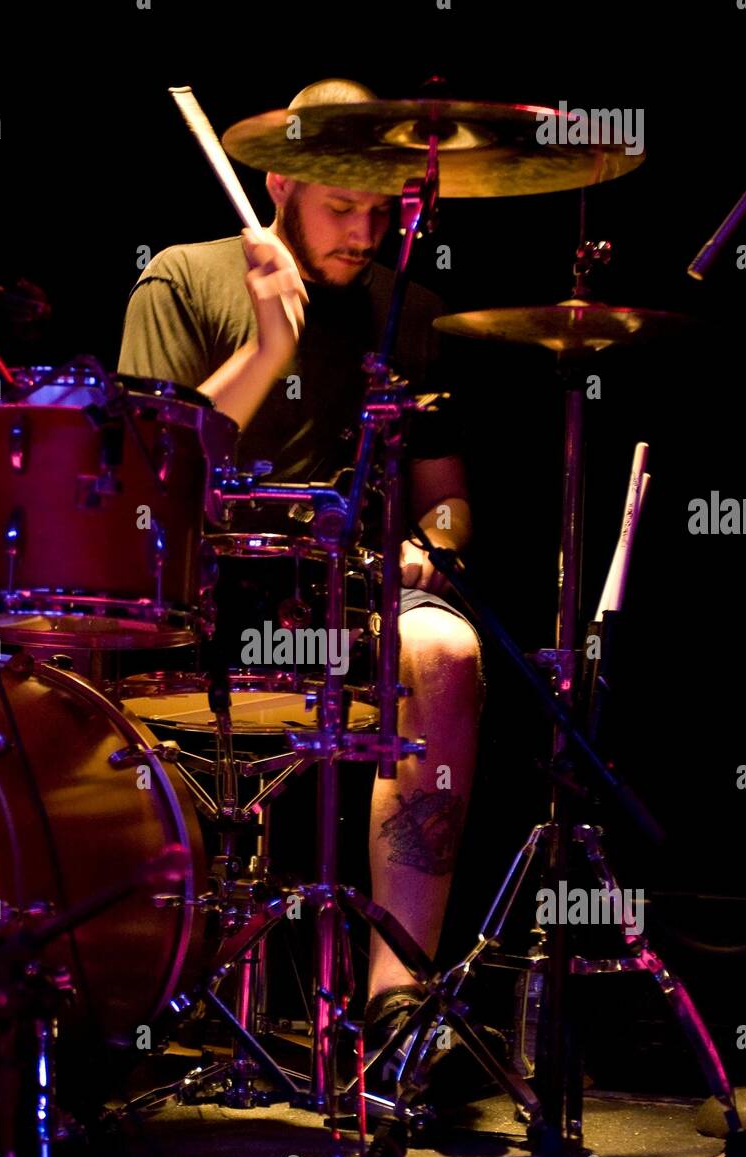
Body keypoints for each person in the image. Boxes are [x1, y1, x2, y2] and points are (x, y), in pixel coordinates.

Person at [118, 79, 483, 1072]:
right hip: (203, 604)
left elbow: (445, 497)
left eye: (382, 208)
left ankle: (395, 1001)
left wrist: (430, 542)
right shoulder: (184, 279)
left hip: (346, 598)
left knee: (448, 646)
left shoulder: (404, 311)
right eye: (339, 205)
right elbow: (147, 482)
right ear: (277, 179)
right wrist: (266, 345)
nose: (363, 230)